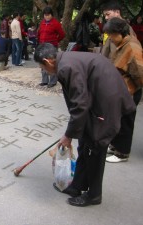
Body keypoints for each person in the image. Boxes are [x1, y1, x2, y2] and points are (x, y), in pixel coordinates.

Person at [34, 43, 136, 207]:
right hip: (99, 98)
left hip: (106, 104)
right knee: (84, 144)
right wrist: (74, 132)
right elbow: (80, 103)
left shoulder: (66, 68)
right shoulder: (65, 60)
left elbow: (80, 105)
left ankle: (94, 194)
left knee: (95, 146)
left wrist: (68, 136)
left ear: (48, 61)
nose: (44, 71)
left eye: (42, 67)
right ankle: (77, 186)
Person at [102, 18, 143, 163]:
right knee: (117, 118)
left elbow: (139, 73)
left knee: (126, 121)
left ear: (120, 32)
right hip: (121, 89)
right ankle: (115, 145)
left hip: (130, 91)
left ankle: (122, 153)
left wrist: (133, 89)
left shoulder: (132, 46)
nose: (111, 39)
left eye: (112, 35)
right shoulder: (122, 43)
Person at [37, 6, 65, 88]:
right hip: (42, 46)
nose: (47, 16)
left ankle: (53, 81)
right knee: (43, 63)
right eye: (45, 15)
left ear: (51, 15)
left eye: (48, 15)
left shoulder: (56, 23)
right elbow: (39, 33)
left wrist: (55, 41)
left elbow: (62, 35)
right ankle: (44, 81)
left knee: (51, 63)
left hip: (52, 46)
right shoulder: (42, 23)